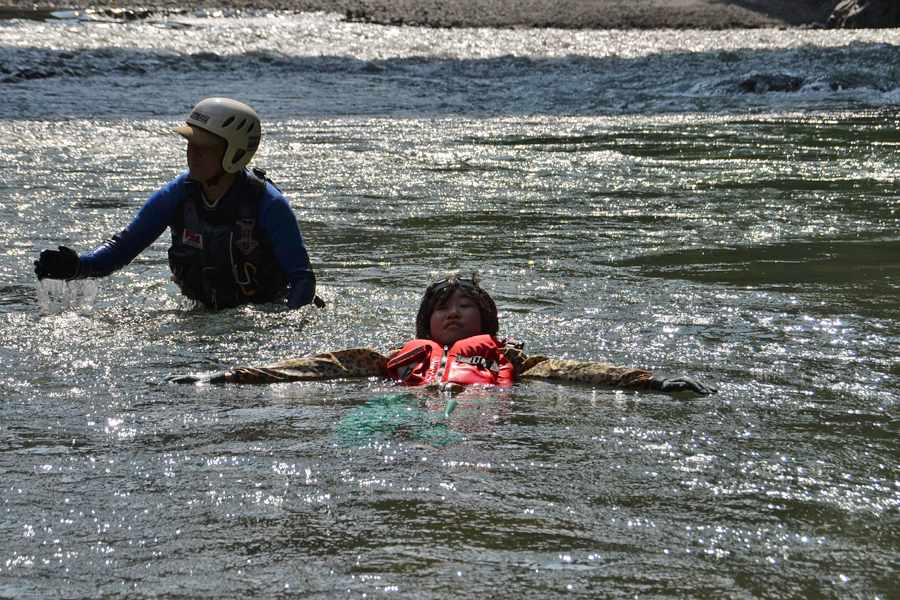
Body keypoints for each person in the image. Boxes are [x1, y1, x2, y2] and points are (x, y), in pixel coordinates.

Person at [172, 272, 716, 398]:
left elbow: (579, 374)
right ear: (425, 327)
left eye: (466, 308)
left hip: (483, 417)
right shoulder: (386, 361)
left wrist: (652, 383)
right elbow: (316, 367)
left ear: (488, 326)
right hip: (400, 413)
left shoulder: (516, 362)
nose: (453, 315)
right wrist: (225, 376)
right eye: (442, 310)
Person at [34, 97, 320, 310]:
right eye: (190, 144)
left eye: (204, 147)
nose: (192, 154)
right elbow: (122, 249)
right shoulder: (176, 196)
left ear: (235, 153)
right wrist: (77, 267)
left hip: (265, 313)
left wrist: (286, 330)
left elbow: (302, 279)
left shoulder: (269, 204)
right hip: (207, 315)